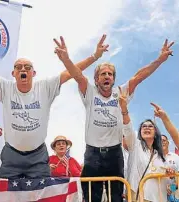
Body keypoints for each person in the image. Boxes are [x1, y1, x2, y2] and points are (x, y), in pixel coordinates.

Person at [0, 24, 109, 179]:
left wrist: (95, 57)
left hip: (38, 156)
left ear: (34, 73)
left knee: (41, 195)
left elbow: (71, 72)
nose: (23, 69)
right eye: (18, 67)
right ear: (13, 74)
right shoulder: (5, 87)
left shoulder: (45, 87)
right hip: (11, 157)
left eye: (27, 67)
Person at [54, 35, 174, 201]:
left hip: (114, 154)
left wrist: (160, 60)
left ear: (113, 79)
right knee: (91, 196)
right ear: (96, 79)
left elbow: (139, 76)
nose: (107, 76)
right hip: (93, 153)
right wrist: (66, 59)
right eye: (103, 74)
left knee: (116, 196)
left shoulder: (120, 93)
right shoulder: (89, 91)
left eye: (110, 74)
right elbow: (76, 74)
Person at [119, 91, 176, 202]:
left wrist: (170, 175)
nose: (147, 128)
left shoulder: (160, 156)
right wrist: (124, 110)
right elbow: (128, 128)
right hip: (138, 196)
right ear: (140, 132)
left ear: (156, 133)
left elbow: (168, 183)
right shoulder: (135, 145)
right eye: (143, 126)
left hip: (158, 198)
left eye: (150, 126)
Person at [161, 135, 179, 201]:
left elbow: (178, 178)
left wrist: (172, 188)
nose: (162, 142)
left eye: (164, 140)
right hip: (158, 194)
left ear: (168, 143)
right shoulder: (154, 157)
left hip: (172, 195)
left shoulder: (176, 157)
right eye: (159, 141)